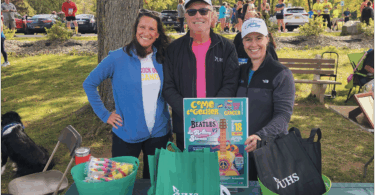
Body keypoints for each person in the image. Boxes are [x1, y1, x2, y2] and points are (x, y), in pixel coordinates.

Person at [82, 9, 171, 179]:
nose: (146, 32)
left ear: (158, 34)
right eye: (142, 27)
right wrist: (104, 114)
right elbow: (89, 83)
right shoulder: (116, 58)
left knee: (155, 181)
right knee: (122, 182)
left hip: (159, 133)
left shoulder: (163, 58)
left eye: (152, 29)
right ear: (135, 29)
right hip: (127, 133)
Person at [163, 0, 240, 152]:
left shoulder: (227, 47)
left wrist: (211, 114)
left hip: (217, 123)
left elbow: (230, 83)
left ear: (212, 15)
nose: (198, 15)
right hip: (185, 124)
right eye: (192, 12)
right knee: (189, 172)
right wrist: (190, 114)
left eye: (203, 11)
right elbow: (168, 86)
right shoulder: (173, 49)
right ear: (186, 16)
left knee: (217, 172)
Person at [236, 18, 295, 181]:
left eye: (258, 38)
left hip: (269, 149)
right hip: (239, 150)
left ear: (267, 39)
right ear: (243, 42)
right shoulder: (239, 72)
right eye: (248, 39)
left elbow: (283, 116)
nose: (253, 44)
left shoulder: (281, 74)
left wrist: (261, 136)